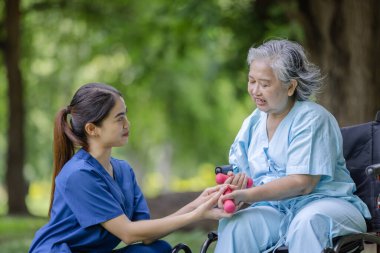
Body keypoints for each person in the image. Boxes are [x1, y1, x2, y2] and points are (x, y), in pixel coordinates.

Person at [29, 83, 231, 253]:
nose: (127, 124)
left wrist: (198, 203)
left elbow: (146, 235)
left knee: (157, 249)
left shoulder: (123, 171)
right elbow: (128, 233)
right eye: (119, 118)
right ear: (92, 129)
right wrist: (197, 215)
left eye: (125, 115)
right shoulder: (79, 174)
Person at [214, 39, 371, 253]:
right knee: (237, 225)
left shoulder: (313, 118)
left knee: (306, 222)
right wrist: (239, 187)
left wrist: (248, 195)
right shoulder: (252, 123)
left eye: (265, 84)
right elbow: (248, 180)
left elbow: (302, 183)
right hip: (276, 209)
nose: (255, 91)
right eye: (252, 81)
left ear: (291, 86)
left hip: (326, 204)